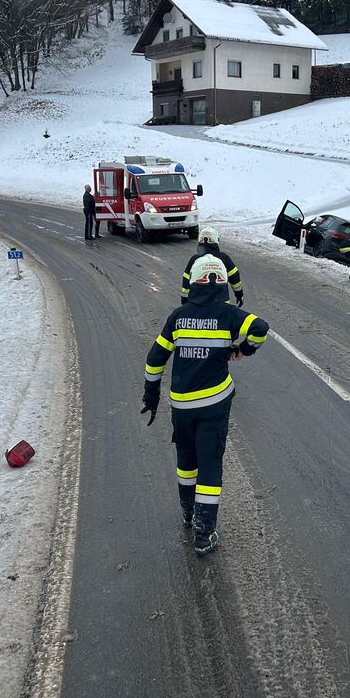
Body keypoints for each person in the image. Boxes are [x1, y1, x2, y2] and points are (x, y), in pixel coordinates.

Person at [142, 254, 269, 555]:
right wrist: (244, 349)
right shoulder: (228, 315)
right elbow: (260, 327)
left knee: (187, 461)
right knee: (210, 465)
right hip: (214, 404)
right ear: (222, 282)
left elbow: (154, 359)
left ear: (193, 281)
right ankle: (204, 533)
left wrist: (152, 395)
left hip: (181, 406)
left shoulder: (177, 317)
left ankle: (188, 512)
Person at [181, 227, 244, 305]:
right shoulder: (224, 258)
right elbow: (235, 278)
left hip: (198, 303)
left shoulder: (195, 259)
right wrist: (239, 294)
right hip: (221, 303)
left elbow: (186, 281)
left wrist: (184, 299)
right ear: (216, 240)